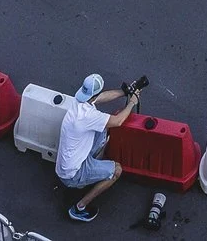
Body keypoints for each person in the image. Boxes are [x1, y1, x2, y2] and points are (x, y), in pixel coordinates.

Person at [57, 73, 143, 221]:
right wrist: (132, 102)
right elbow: (117, 121)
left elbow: (100, 97)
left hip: (68, 163)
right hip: (73, 174)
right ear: (94, 94)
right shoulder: (88, 116)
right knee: (116, 170)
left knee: (102, 129)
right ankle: (79, 208)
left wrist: (125, 92)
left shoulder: (78, 102)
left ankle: (94, 171)